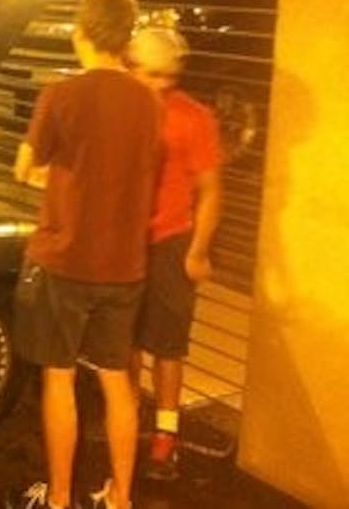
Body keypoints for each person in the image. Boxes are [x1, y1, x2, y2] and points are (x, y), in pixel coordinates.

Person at [9, 0, 162, 509]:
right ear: (126, 38)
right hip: (125, 266)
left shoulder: (61, 94)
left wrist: (60, 178)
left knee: (60, 377)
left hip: (67, 260)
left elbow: (24, 168)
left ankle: (57, 498)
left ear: (81, 32)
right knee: (118, 381)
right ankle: (119, 498)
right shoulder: (150, 102)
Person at [128, 27, 222, 481]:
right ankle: (123, 419)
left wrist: (198, 249)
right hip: (125, 242)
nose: (163, 82)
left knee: (167, 345)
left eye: (170, 74)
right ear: (130, 66)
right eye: (152, 74)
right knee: (122, 340)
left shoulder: (193, 117)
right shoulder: (120, 109)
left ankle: (166, 435)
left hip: (171, 241)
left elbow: (210, 189)